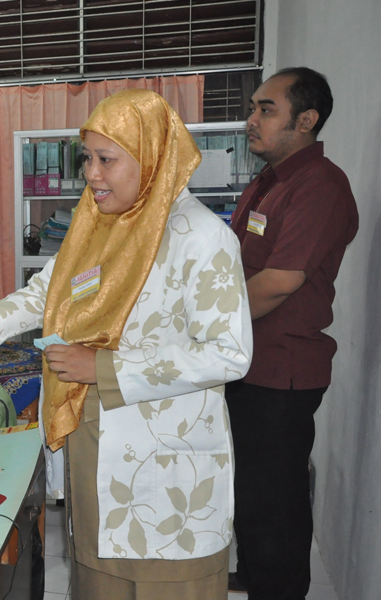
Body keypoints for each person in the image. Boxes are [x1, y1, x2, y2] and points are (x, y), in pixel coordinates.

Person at [0, 89, 252, 599]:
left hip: (168, 476)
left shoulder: (202, 238)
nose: (92, 175)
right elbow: (49, 293)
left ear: (151, 158)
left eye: (106, 159)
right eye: (87, 159)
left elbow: (229, 351)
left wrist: (104, 366)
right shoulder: (97, 224)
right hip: (94, 450)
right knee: (96, 580)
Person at [226, 67, 358, 600]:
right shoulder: (266, 182)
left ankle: (276, 589)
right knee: (252, 492)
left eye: (266, 109)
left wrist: (203, 327)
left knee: (274, 500)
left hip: (282, 372)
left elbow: (279, 283)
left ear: (306, 120)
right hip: (247, 361)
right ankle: (257, 577)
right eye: (253, 107)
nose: (250, 119)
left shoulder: (319, 186)